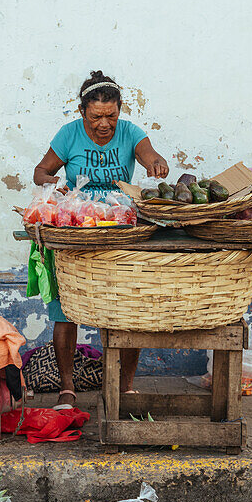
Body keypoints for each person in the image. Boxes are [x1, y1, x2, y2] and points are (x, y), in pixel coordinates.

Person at [32, 70, 169, 408]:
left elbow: (148, 155)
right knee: (65, 311)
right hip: (78, 228)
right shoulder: (68, 135)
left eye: (111, 115)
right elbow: (40, 171)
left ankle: (124, 387)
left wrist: (157, 163)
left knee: (128, 310)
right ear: (82, 113)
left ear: (120, 110)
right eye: (96, 117)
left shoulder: (130, 133)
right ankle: (67, 389)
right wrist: (54, 183)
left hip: (118, 227)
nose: (104, 124)